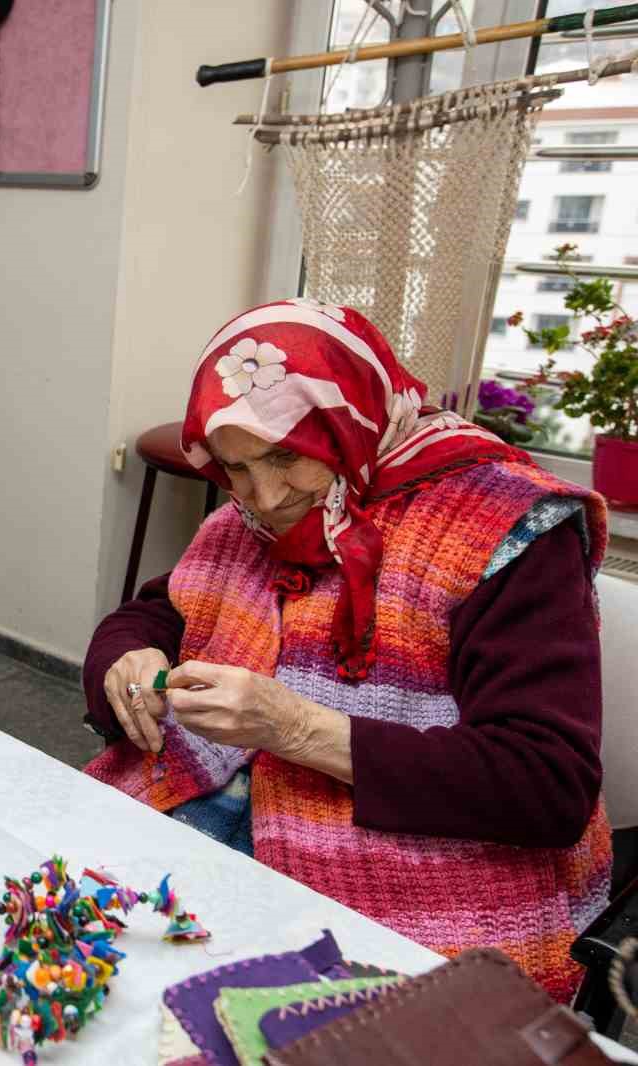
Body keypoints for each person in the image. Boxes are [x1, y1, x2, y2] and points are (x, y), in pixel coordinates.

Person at [82, 299, 608, 1002]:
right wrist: (128, 662)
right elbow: (158, 611)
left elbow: (548, 783)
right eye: (236, 468)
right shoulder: (251, 515)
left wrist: (297, 729)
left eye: (285, 456)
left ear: (347, 420)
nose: (262, 498)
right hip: (224, 828)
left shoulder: (506, 529)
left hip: (416, 868)